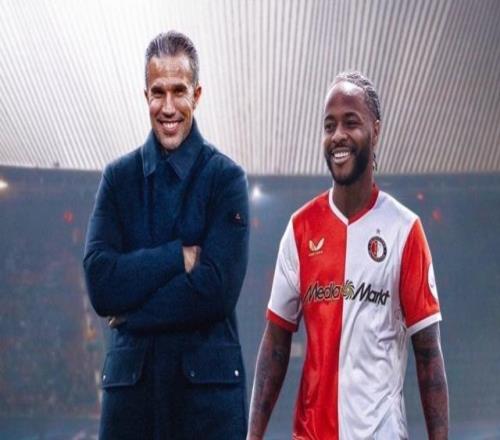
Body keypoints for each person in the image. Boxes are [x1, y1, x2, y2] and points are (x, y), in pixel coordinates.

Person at [247, 71, 449, 439]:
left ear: (376, 130)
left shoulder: (404, 230)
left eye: (350, 122)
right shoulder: (300, 228)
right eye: (329, 126)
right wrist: (253, 435)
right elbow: (275, 343)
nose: (338, 134)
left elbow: (428, 355)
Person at [83, 30, 249, 440]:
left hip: (206, 406)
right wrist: (177, 256)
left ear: (197, 95)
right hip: (132, 401)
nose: (169, 107)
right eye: (158, 92)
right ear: (146, 96)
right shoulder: (118, 178)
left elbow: (215, 290)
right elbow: (101, 284)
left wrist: (132, 315)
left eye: (179, 91)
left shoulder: (226, 178)